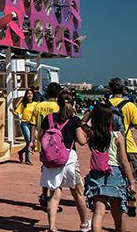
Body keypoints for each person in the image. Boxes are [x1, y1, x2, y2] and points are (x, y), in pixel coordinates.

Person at [37, 90, 91, 232]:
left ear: (58, 103)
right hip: (69, 159)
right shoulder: (74, 120)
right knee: (77, 193)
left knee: (54, 195)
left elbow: (41, 137)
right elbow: (81, 141)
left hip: (52, 159)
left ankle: (52, 227)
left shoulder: (49, 118)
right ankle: (84, 223)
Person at [84, 102, 135, 232]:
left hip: (97, 173)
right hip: (114, 174)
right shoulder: (117, 137)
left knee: (98, 213)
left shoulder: (92, 134)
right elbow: (124, 161)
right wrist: (131, 181)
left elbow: (82, 122)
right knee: (118, 215)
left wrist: (93, 112)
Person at [32, 81, 62, 210]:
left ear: (47, 92)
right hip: (57, 143)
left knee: (45, 168)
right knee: (57, 171)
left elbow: (33, 123)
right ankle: (53, 199)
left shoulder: (39, 106)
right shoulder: (59, 107)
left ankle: (44, 194)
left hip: (43, 141)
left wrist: (32, 141)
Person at [11, 88, 38, 165]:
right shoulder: (23, 104)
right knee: (29, 140)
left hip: (33, 124)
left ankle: (21, 151)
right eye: (28, 93)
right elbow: (17, 113)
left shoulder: (35, 104)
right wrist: (12, 111)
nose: (30, 95)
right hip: (25, 123)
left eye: (31, 94)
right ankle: (27, 159)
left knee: (32, 141)